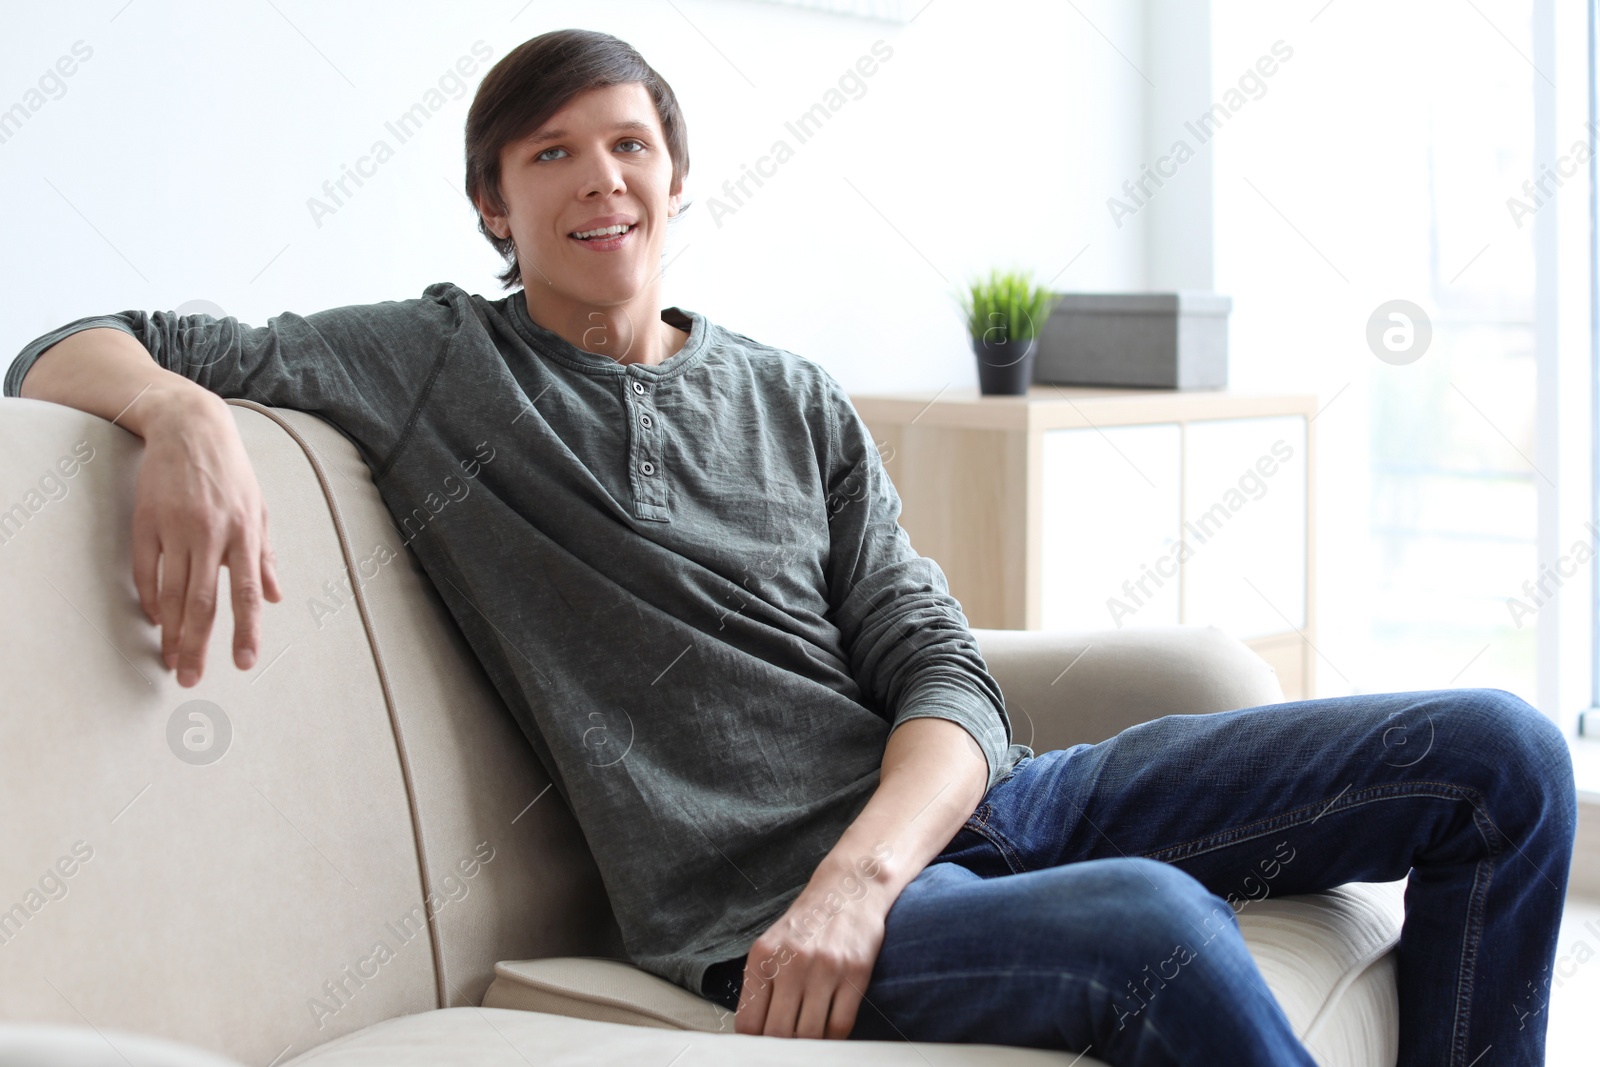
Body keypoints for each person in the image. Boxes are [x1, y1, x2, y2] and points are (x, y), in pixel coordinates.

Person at [7, 28, 1576, 1067]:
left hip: (969, 816)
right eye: (547, 155)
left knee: (1502, 757)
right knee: (1152, 923)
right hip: (748, 907)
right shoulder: (430, 364)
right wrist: (188, 420)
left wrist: (868, 870)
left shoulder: (787, 393)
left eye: (625, 144)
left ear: (677, 179)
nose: (596, 178)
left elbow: (940, 667)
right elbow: (76, 342)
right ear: (492, 208)